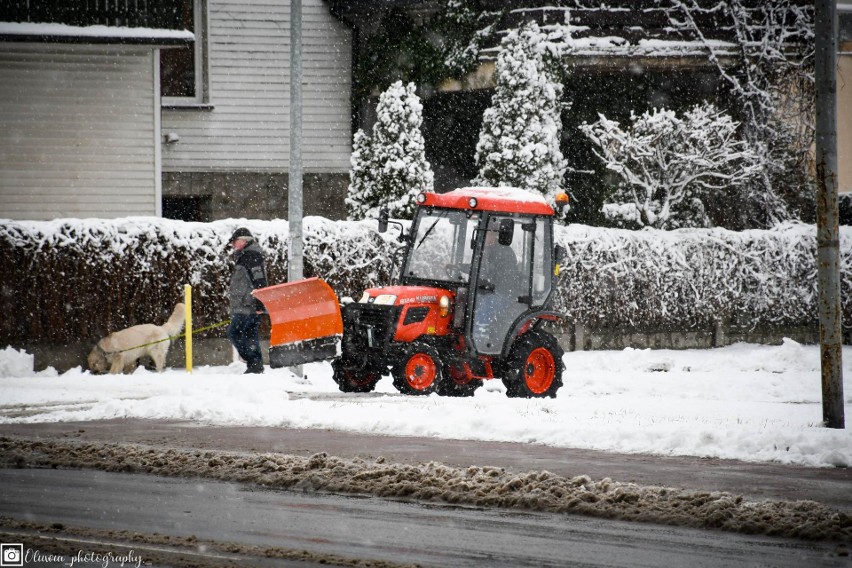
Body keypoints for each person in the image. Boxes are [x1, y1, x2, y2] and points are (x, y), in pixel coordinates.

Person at [226, 227, 268, 374]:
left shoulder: (251, 256)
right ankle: (255, 366)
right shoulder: (247, 256)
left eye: (234, 241)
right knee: (250, 336)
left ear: (244, 241)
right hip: (247, 304)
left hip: (247, 305)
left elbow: (259, 281)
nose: (232, 245)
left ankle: (253, 361)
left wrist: (259, 303)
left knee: (233, 333)